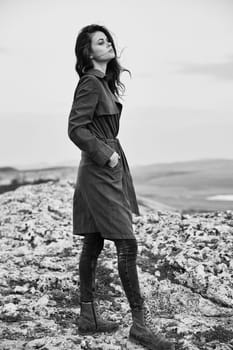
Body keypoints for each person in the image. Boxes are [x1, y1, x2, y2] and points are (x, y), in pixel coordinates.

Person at [68, 24, 174, 350]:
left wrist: (109, 157)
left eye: (109, 39)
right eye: (101, 41)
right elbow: (76, 128)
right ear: (88, 52)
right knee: (127, 245)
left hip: (100, 170)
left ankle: (89, 317)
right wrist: (107, 156)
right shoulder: (89, 83)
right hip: (101, 170)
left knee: (94, 241)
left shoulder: (101, 83)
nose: (109, 44)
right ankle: (140, 326)